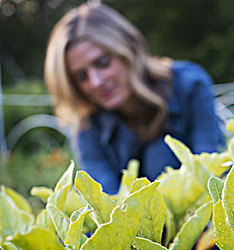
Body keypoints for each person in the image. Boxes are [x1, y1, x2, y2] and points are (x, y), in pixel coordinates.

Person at [44, 3, 224, 195]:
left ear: (127, 51)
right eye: (81, 76)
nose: (95, 82)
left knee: (160, 153)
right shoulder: (86, 127)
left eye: (103, 63)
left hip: (198, 215)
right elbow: (108, 204)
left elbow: (211, 172)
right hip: (136, 224)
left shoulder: (189, 84)